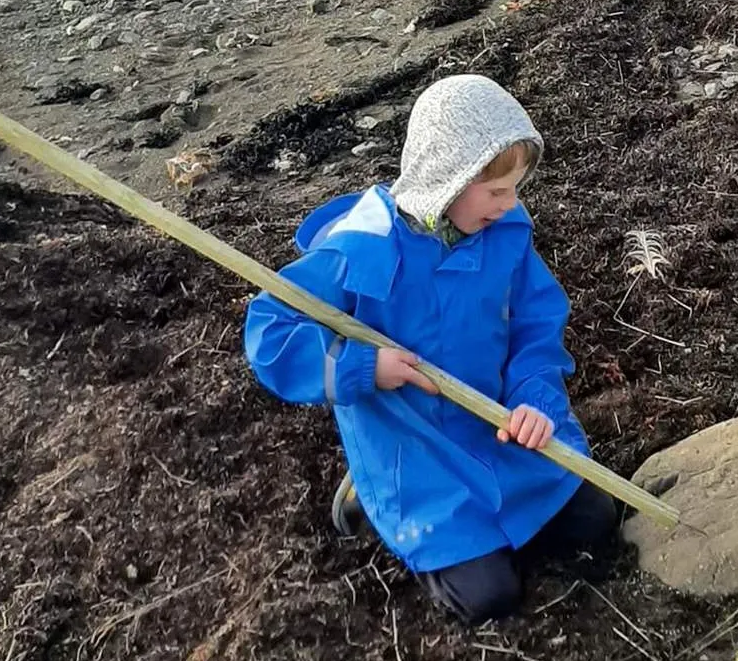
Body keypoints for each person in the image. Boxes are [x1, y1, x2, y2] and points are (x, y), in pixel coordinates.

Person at [244, 73, 616, 624]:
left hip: (495, 424)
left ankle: (496, 514)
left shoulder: (505, 234)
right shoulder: (360, 249)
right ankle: (371, 496)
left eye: (515, 187)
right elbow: (269, 332)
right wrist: (363, 367)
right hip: (412, 449)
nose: (510, 203)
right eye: (496, 191)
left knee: (597, 522)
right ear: (449, 178)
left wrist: (536, 398)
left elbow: (536, 325)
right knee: (490, 598)